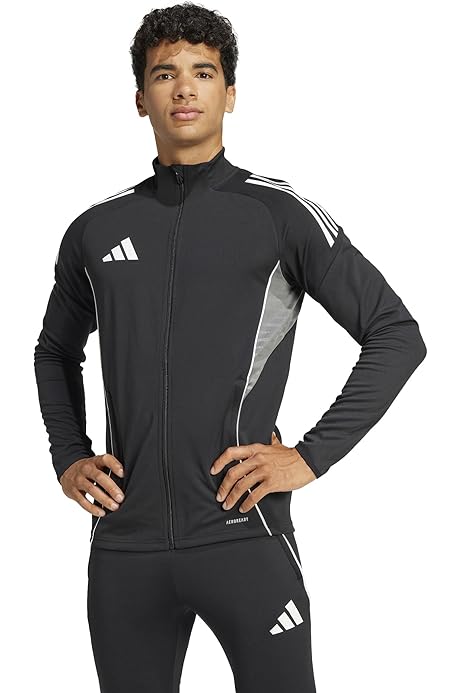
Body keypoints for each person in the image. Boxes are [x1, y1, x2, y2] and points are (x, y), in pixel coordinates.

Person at [33, 3, 427, 692]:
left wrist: (310, 456)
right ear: (140, 98)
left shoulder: (277, 213)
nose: (184, 88)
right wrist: (68, 455)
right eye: (165, 74)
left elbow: (396, 333)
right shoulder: (96, 229)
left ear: (231, 94)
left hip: (245, 536)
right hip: (125, 547)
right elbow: (54, 351)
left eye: (204, 72)